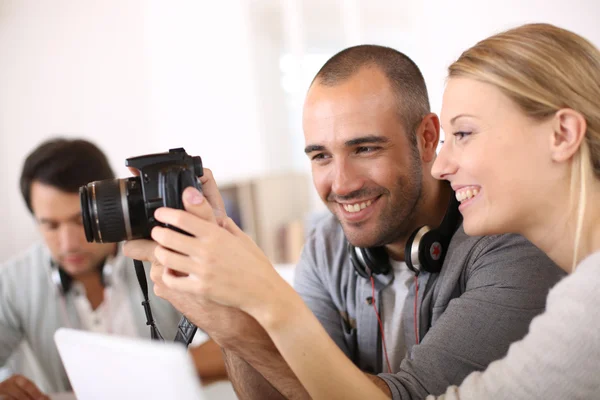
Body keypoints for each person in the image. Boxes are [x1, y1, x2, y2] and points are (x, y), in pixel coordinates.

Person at [124, 45, 566, 399]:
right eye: (320, 156)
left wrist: (260, 304)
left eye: (365, 149)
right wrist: (226, 319)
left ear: (428, 138)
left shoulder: (509, 247)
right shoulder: (326, 243)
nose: (341, 184)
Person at [0, 138, 228, 399]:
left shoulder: (164, 253)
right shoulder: (12, 283)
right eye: (50, 226)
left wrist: (144, 375)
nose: (68, 244)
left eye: (80, 220)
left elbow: (241, 341)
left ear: (110, 208)